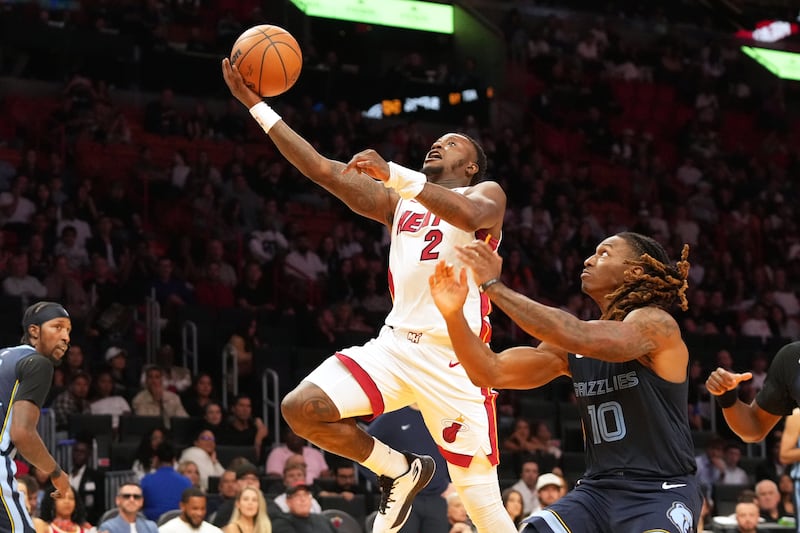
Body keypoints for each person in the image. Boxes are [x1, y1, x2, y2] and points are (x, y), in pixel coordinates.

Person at [223, 57, 514, 533]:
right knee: (300, 409)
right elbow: (320, 169)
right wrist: (256, 106)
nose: (439, 143)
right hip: (395, 346)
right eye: (437, 141)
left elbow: (468, 214)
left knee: (483, 508)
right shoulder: (397, 203)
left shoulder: (487, 193)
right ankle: (399, 469)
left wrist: (397, 174)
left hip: (455, 359)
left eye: (453, 143)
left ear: (472, 165)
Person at [429, 232, 701, 532]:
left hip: (659, 490)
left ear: (635, 270)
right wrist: (453, 316)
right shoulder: (575, 347)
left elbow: (580, 335)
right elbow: (490, 372)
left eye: (605, 253)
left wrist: (493, 287)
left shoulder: (656, 325)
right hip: (596, 492)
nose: (589, 259)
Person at [2, 301, 71, 531]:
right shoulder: (37, 363)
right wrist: (56, 472)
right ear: (34, 331)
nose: (66, 337)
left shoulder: (3, 356)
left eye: (69, 331)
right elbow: (22, 433)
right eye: (58, 327)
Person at [271, 483, 335, 533]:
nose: (303, 499)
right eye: (297, 495)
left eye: (306, 494)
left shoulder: (323, 520)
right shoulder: (280, 523)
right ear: (288, 502)